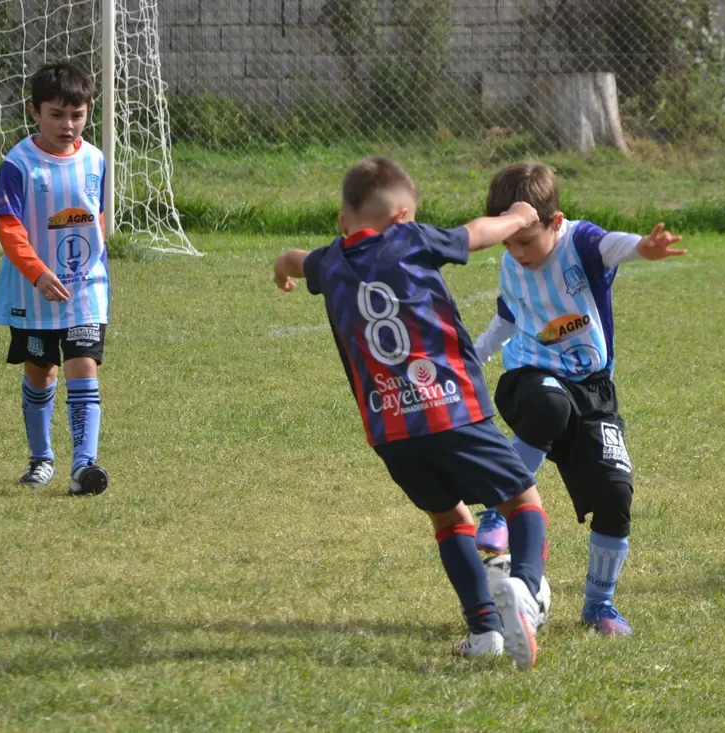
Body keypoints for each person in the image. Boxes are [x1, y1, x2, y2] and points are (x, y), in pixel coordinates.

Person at [272, 157, 548, 668]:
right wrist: (516, 217)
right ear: (403, 218)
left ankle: (484, 631)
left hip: (393, 432)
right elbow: (477, 234)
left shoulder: (329, 262)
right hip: (452, 409)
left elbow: (293, 258)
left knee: (449, 518)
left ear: (344, 222)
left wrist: (280, 271)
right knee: (522, 500)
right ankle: (526, 594)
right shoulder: (412, 239)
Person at [473, 162, 686, 635]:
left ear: (555, 222)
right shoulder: (513, 266)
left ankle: (599, 605)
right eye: (508, 243)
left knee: (616, 491)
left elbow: (613, 245)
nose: (516, 252)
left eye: (525, 241)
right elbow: (508, 318)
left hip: (593, 390)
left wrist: (643, 248)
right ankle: (496, 511)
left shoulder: (581, 243)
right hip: (530, 380)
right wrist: (475, 356)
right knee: (551, 405)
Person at [0, 61, 110, 497]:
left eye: (77, 115)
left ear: (88, 111)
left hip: (85, 289)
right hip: (33, 292)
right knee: (41, 372)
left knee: (83, 365)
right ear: (34, 111)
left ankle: (83, 466)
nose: (67, 125)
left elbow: (96, 218)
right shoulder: (19, 164)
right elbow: (9, 228)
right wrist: (38, 272)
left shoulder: (95, 159)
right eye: (56, 115)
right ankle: (41, 459)